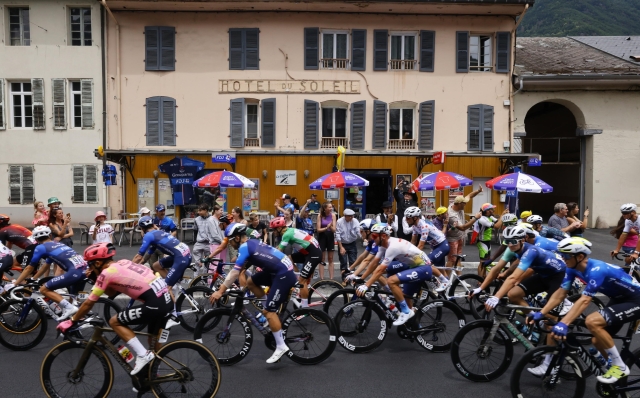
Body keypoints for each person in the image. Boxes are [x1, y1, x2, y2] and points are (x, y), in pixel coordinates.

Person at [527, 237, 640, 383]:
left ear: (580, 256)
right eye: (561, 254)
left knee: (592, 321)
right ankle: (615, 376)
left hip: (636, 299)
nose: (563, 258)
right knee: (597, 339)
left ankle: (620, 366)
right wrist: (541, 312)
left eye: (566, 255)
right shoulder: (572, 269)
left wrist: (565, 323)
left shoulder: (597, 269)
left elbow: (585, 300)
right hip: (618, 298)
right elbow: (560, 293)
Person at [57, 243, 172, 375]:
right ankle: (152, 375)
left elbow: (89, 303)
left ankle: (143, 355)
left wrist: (72, 321)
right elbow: (112, 293)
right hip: (166, 300)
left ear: (98, 263)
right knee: (153, 342)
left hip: (155, 304)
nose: (89, 268)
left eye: (90, 264)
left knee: (114, 321)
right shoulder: (123, 262)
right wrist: (94, 277)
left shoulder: (106, 273)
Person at [209, 223, 297, 363]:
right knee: (251, 282)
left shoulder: (244, 247)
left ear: (237, 238)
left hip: (283, 274)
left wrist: (220, 291)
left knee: (269, 312)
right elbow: (246, 264)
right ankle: (268, 307)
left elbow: (234, 274)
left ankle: (281, 346)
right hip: (278, 269)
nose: (230, 244)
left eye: (230, 240)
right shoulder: (252, 242)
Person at [355, 223, 435, 326]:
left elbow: (379, 270)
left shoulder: (392, 247)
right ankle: (415, 328)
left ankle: (406, 311)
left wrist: (366, 285)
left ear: (383, 236)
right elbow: (374, 263)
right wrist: (362, 279)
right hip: (413, 267)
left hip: (423, 268)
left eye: (374, 236)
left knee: (391, 281)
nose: (372, 238)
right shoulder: (383, 245)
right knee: (406, 298)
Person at [27, 225, 88, 320]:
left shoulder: (41, 247)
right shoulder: (58, 244)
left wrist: (16, 283)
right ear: (50, 236)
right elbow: (45, 265)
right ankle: (79, 322)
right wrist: (34, 278)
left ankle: (69, 308)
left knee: (44, 289)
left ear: (36, 240)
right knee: (74, 300)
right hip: (85, 270)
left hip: (74, 272)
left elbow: (29, 268)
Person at [132, 216, 192, 304]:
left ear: (142, 228)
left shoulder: (148, 235)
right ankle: (172, 282)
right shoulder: (158, 232)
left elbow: (138, 256)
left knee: (166, 288)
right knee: (156, 266)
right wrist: (139, 265)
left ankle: (174, 313)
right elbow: (148, 254)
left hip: (181, 257)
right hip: (183, 253)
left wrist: (129, 267)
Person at [271, 216, 322, 303]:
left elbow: (279, 251)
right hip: (309, 252)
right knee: (289, 258)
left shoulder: (286, 234)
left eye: (274, 229)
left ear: (279, 228)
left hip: (313, 254)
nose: (273, 232)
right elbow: (278, 248)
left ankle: (305, 308)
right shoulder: (289, 230)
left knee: (302, 281)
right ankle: (298, 277)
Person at [403, 206, 450, 285]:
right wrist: (406, 252)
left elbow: (421, 246)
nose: (406, 220)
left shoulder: (424, 226)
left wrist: (412, 256)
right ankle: (448, 289)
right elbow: (413, 242)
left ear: (415, 218)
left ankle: (441, 283)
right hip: (436, 247)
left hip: (442, 246)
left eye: (408, 218)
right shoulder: (415, 226)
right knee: (441, 270)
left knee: (426, 263)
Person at [445, 187, 483, 272]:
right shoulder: (452, 215)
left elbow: (469, 196)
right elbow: (463, 228)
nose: (465, 205)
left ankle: (459, 279)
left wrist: (478, 190)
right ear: (459, 204)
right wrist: (475, 218)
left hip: (459, 237)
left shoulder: (458, 203)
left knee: (458, 258)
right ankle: (445, 280)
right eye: (464, 204)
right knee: (452, 260)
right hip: (452, 239)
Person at [316, 201, 337, 280]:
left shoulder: (333, 215)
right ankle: (322, 278)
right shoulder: (320, 216)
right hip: (322, 237)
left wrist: (330, 227)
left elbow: (334, 230)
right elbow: (318, 229)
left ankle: (331, 278)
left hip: (330, 236)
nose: (331, 208)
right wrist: (326, 228)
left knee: (330, 258)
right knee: (322, 258)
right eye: (329, 207)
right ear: (325, 208)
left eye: (331, 207)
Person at [336, 209, 360, 273]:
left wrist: (364, 238)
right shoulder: (339, 221)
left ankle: (352, 279)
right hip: (343, 243)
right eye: (349, 216)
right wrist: (341, 247)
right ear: (345, 216)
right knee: (343, 262)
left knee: (353, 262)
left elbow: (358, 231)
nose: (351, 217)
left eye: (352, 216)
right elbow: (338, 234)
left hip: (352, 243)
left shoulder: (355, 221)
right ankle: (344, 279)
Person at [192, 204, 214, 273]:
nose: (198, 212)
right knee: (197, 263)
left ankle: (205, 279)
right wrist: (195, 241)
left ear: (205, 210)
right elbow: (195, 230)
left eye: (200, 210)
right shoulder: (196, 219)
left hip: (208, 243)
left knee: (207, 262)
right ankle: (195, 280)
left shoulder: (212, 219)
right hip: (199, 242)